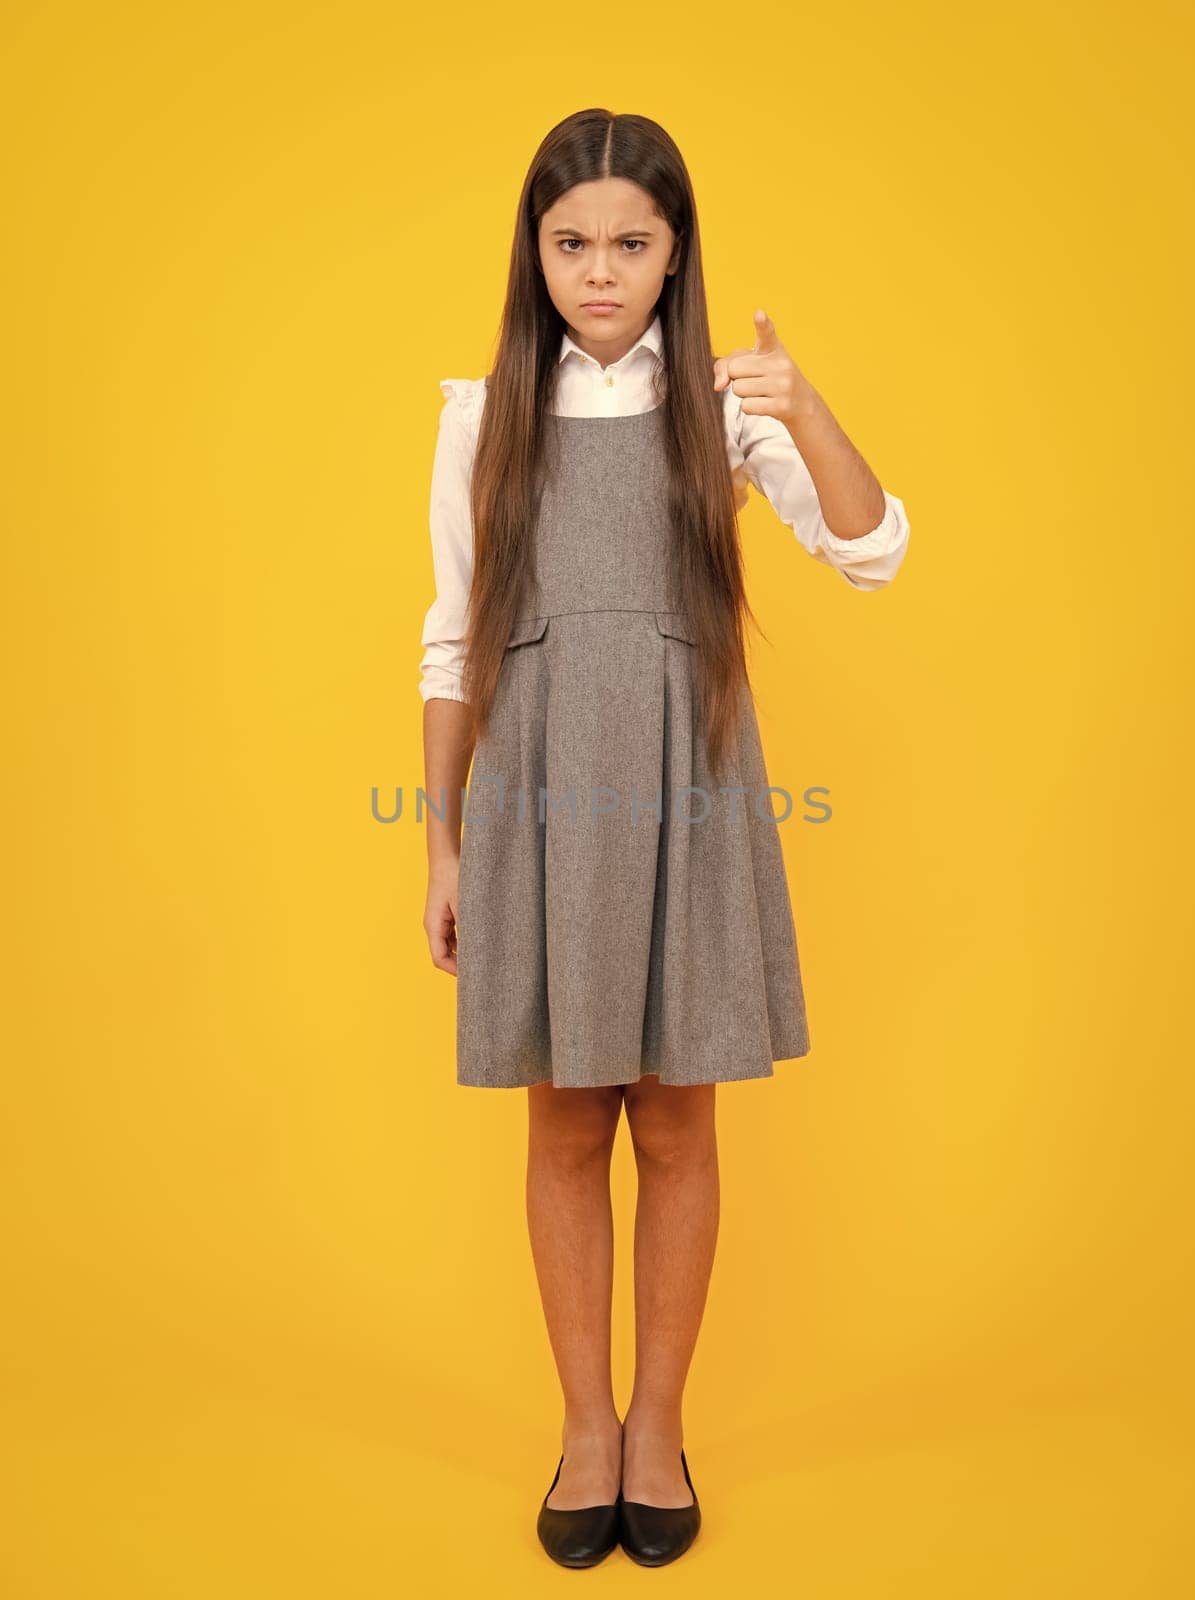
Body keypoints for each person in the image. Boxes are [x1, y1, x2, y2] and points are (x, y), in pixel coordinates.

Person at [419, 108, 910, 1568]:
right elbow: (452, 645)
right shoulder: (481, 413)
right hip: (545, 794)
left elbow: (875, 551)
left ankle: (657, 1425)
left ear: (676, 251)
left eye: (632, 243)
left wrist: (805, 405)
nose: (600, 272)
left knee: (677, 1116)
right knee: (566, 1115)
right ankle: (585, 1426)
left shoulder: (724, 408)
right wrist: (441, 850)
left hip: (689, 790)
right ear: (536, 251)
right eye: (571, 244)